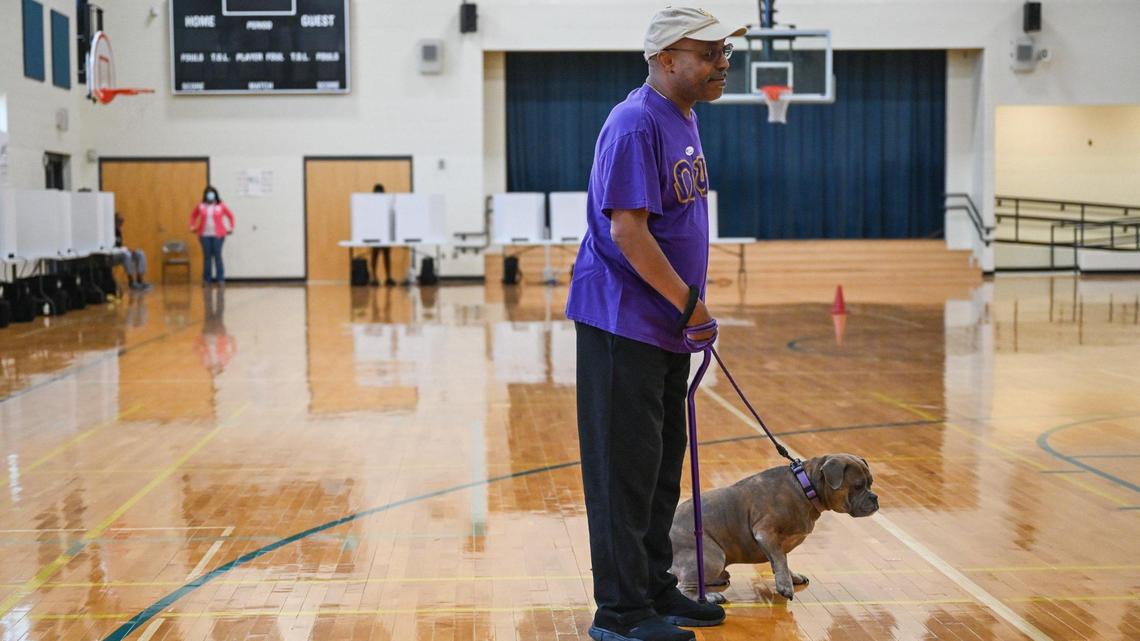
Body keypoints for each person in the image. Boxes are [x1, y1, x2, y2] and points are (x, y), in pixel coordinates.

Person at [563, 8, 743, 641]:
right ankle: (620, 613)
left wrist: (684, 310)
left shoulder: (683, 117)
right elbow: (628, 230)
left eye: (726, 51)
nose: (724, 61)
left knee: (661, 468)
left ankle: (654, 587)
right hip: (623, 326)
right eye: (710, 52)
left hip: (661, 325)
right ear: (667, 58)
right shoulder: (636, 121)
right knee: (624, 474)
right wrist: (689, 304)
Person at [189, 185, 235, 286]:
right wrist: (192, 226)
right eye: (208, 193)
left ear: (215, 194)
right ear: (205, 195)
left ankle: (220, 279)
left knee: (217, 256)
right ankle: (206, 279)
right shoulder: (201, 205)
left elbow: (230, 216)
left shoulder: (220, 205)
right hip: (204, 235)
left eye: (212, 193)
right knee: (207, 257)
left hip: (218, 235)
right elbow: (193, 216)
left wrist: (231, 227)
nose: (210, 195)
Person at [112, 212, 152, 291]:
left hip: (120, 252)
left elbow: (119, 246)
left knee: (140, 253)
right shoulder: (110, 231)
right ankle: (131, 281)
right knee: (127, 255)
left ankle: (140, 279)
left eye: (122, 221)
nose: (121, 223)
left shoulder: (119, 231)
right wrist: (125, 250)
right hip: (112, 256)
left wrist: (127, 249)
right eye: (120, 221)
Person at [368, 183, 396, 287]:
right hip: (375, 233)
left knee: (386, 255)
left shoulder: (386, 204)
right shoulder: (371, 204)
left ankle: (388, 277)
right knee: (375, 255)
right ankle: (374, 276)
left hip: (385, 233)